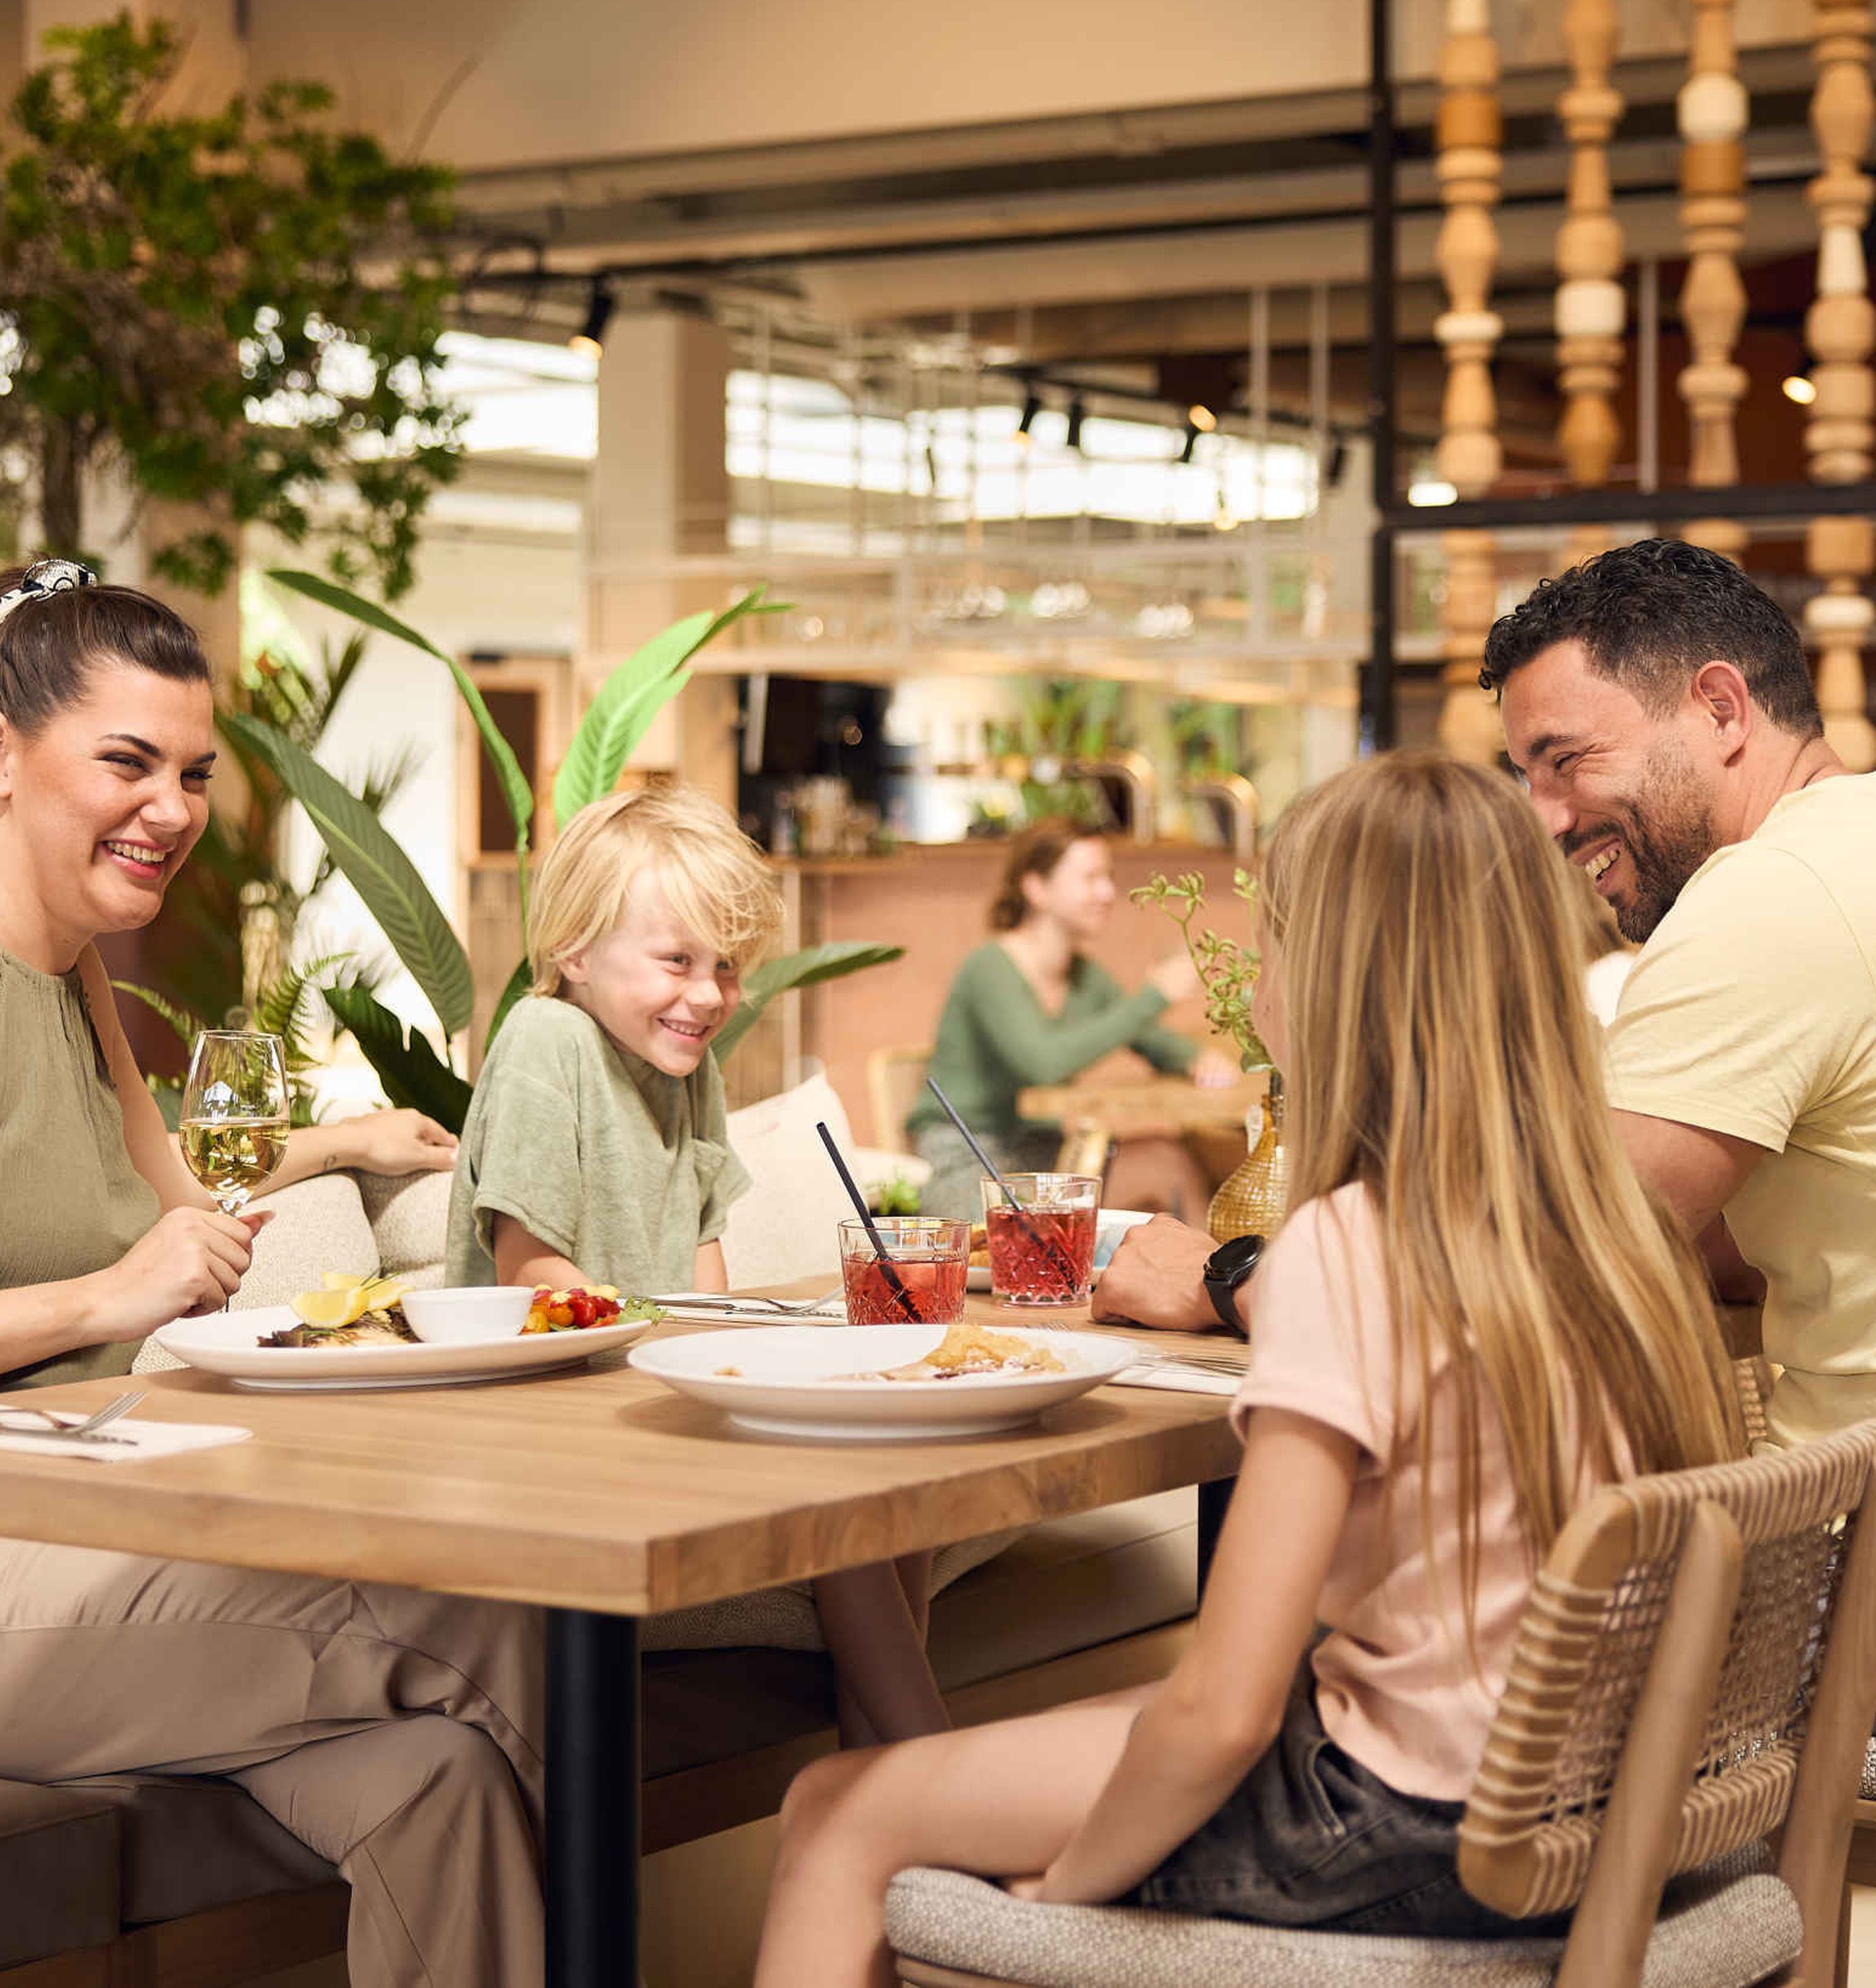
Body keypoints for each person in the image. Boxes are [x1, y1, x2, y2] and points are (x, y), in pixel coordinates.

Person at [1097, 540, 1876, 1745]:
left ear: (1720, 707)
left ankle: (1310, 1878)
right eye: (1522, 772)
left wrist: (1229, 1280)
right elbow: (1734, 1242)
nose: (1542, 816)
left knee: (1431, 1637)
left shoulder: (1774, 897)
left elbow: (1512, 1289)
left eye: (1568, 759)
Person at [751, 754, 1746, 1984]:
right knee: (968, 1758)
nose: (1257, 981)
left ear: (1330, 982)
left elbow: (1223, 1710)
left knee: (837, 1814)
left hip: (1409, 1822)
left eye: (1272, 941)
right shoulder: (1622, 1234)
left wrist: (1072, 1893)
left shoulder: (1355, 1245)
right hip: (1588, 1796)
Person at [0, 561, 539, 1988]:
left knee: (437, 1781)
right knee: (477, 1613)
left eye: (194, 772)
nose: (173, 808)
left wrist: (330, 1147)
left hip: (51, 1533)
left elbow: (169, 1211)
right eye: (129, 762)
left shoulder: (71, 971)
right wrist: (101, 1304)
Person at [447, 781, 951, 1746]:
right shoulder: (544, 1040)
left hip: (639, 1398)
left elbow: (704, 1272)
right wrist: (687, 1360)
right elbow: (529, 1273)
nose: (710, 995)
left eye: (725, 966)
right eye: (677, 960)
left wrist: (737, 1361)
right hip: (535, 1417)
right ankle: (926, 1754)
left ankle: (880, 1763)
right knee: (836, 1477)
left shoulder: (690, 1072)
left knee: (895, 1461)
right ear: (574, 950)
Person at [907, 824, 1220, 1223]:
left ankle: (1203, 1282)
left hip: (1042, 1155)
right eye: (1090, 878)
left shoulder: (1084, 976)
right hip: (966, 1158)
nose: (1108, 893)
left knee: (1169, 1160)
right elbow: (1043, 1064)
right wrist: (1154, 995)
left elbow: (1151, 1040)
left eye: (1108, 878)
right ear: (1036, 888)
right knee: (1062, 1221)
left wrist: (1195, 1058)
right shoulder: (990, 969)